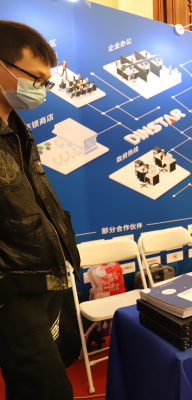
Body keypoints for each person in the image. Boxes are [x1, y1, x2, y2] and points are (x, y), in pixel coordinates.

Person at [0, 21, 81, 400]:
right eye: (36, 78)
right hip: (12, 290)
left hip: (43, 279)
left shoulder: (17, 128)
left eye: (46, 83)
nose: (41, 89)